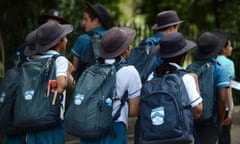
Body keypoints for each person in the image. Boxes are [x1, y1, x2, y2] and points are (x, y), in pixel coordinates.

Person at [80, 27, 142, 144]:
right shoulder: (130, 72)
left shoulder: (91, 70)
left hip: (89, 128)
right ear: (125, 50)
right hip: (114, 128)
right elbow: (134, 111)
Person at [22, 21, 73, 144]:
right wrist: (68, 74)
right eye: (64, 37)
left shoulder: (34, 60)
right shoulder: (59, 60)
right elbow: (61, 85)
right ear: (58, 42)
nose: (66, 40)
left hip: (32, 119)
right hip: (51, 121)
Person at [191, 32, 230, 144]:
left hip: (191, 120)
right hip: (210, 122)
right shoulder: (219, 69)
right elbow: (222, 99)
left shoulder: (190, 68)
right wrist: (220, 122)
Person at [71, 2, 111, 80]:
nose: (83, 22)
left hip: (85, 88)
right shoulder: (113, 38)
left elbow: (74, 70)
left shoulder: (83, 39)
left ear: (96, 21)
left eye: (86, 19)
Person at [215, 31, 235, 144]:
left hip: (214, 105)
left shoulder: (213, 60)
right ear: (223, 48)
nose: (231, 48)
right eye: (230, 46)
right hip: (225, 107)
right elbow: (228, 87)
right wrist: (231, 110)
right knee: (225, 137)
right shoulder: (228, 63)